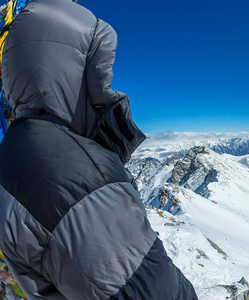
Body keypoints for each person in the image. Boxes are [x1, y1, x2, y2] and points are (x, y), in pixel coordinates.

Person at [0, 0, 198, 299]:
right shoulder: (72, 171)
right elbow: (151, 291)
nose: (108, 84)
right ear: (78, 75)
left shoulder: (15, 149)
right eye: (102, 70)